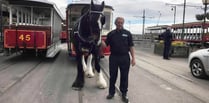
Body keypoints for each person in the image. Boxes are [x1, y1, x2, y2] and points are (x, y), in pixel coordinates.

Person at [102, 17, 136, 103]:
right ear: (115, 23)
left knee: (124, 76)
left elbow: (131, 46)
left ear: (123, 23)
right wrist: (100, 39)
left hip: (125, 57)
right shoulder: (111, 34)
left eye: (121, 22)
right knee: (113, 76)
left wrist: (133, 58)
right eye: (118, 22)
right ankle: (111, 93)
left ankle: (124, 94)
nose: (119, 24)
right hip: (114, 57)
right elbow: (105, 45)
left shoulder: (128, 33)